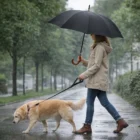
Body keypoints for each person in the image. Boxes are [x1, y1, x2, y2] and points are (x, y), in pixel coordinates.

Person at [74, 34, 128, 134]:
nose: (91, 35)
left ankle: (87, 126)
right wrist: (83, 61)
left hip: (96, 81)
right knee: (105, 102)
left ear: (97, 35)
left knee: (90, 103)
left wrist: (84, 75)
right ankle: (120, 121)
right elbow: (93, 63)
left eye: (92, 33)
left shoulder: (99, 47)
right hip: (99, 80)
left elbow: (97, 65)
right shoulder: (100, 47)